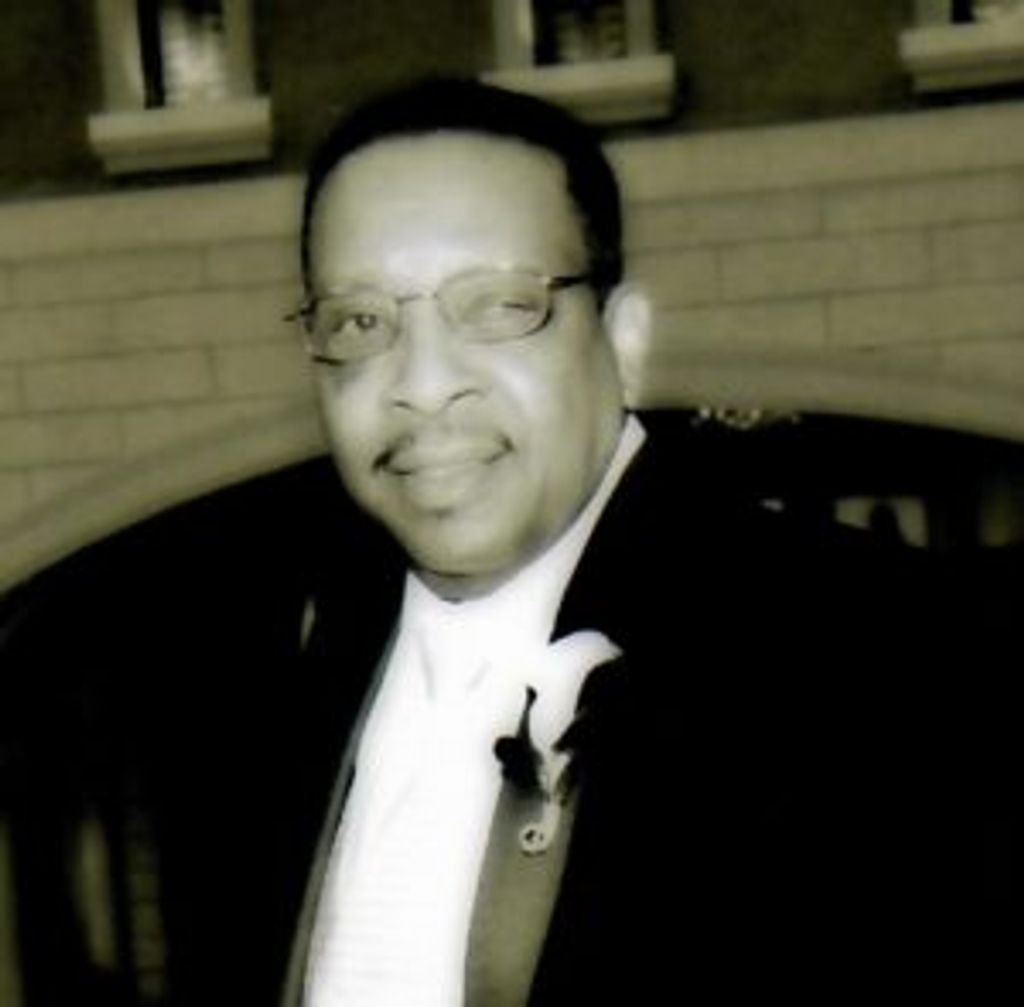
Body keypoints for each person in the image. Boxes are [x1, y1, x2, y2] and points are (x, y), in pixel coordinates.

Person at [276, 79, 959, 1007]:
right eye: (361, 322)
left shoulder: (884, 655)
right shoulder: (279, 674)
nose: (424, 385)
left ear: (624, 340)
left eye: (498, 306)